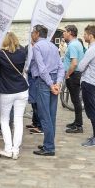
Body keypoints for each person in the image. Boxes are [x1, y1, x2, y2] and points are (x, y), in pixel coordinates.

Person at [0, 32, 28, 159]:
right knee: (18, 120)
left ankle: (8, 148)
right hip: (22, 89)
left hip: (6, 90)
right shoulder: (23, 52)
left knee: (4, 120)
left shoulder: (1, 54)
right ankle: (15, 150)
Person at [30, 25, 64, 156]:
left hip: (45, 82)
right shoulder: (53, 47)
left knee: (45, 116)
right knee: (51, 115)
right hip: (54, 80)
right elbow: (61, 67)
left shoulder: (37, 47)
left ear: (37, 33)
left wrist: (51, 84)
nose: (32, 34)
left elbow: (42, 68)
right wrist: (58, 83)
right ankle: (49, 142)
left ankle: (49, 147)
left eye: (33, 32)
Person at [78, 25, 95, 147]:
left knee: (92, 111)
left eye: (85, 34)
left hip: (89, 82)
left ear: (91, 36)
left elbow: (81, 66)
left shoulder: (92, 49)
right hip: (94, 82)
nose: (83, 36)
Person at [62, 25, 85, 134]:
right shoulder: (76, 43)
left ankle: (78, 125)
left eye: (64, 32)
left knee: (76, 100)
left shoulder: (73, 45)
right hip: (75, 74)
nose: (63, 34)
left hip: (73, 75)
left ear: (70, 32)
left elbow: (74, 63)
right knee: (75, 100)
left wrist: (67, 74)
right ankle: (76, 122)